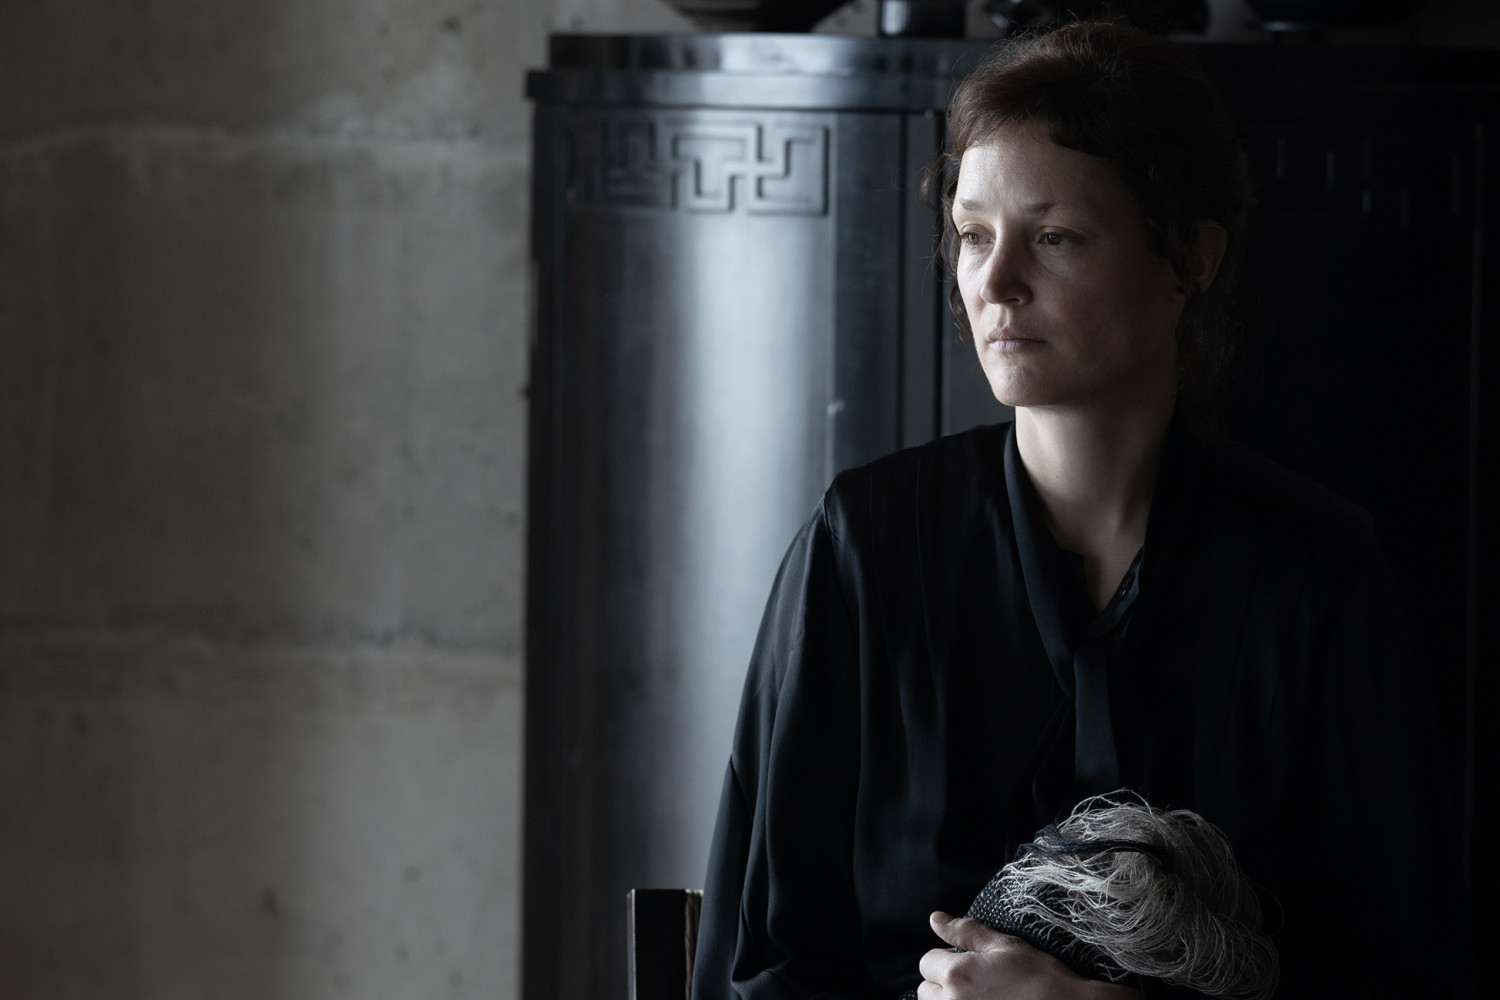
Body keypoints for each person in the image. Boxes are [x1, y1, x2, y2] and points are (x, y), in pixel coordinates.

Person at [692, 20, 1461, 1000]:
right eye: (975, 235)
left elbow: (1399, 969)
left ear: (1189, 259)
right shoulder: (865, 548)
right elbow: (764, 960)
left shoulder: (1319, 577)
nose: (994, 283)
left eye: (1053, 238)